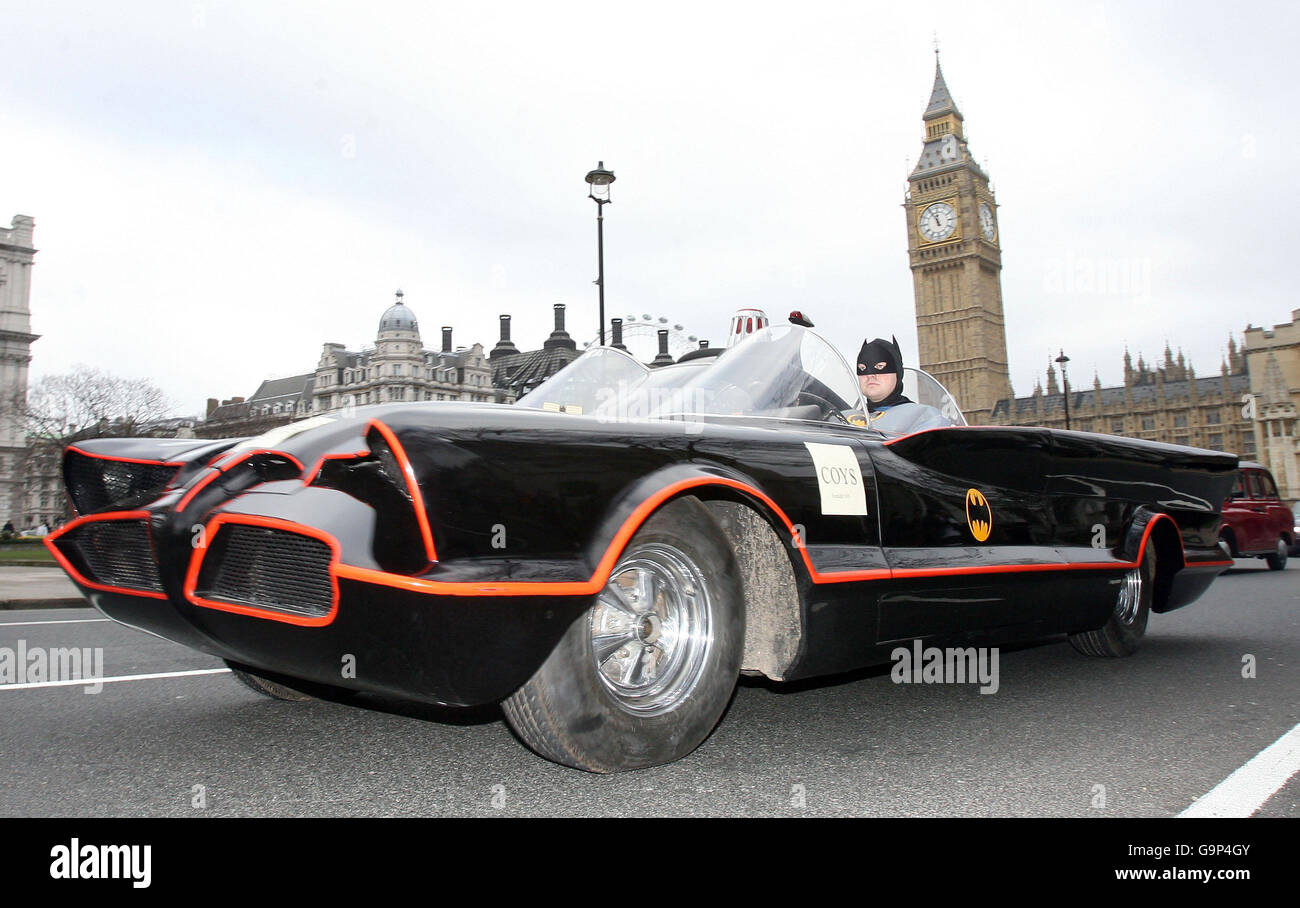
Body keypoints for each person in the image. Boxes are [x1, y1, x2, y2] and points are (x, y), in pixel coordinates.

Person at [857, 336, 949, 434]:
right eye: (862, 368)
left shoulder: (925, 417)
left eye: (880, 367)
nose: (870, 375)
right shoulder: (843, 419)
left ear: (898, 373)